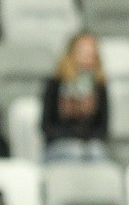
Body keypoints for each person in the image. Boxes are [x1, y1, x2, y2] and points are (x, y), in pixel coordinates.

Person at [42, 32, 111, 164]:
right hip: (59, 145)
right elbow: (46, 126)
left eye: (91, 52)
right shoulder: (55, 84)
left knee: (97, 153)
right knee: (75, 152)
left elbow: (103, 128)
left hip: (90, 146)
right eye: (83, 51)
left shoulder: (99, 87)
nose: (87, 56)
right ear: (71, 53)